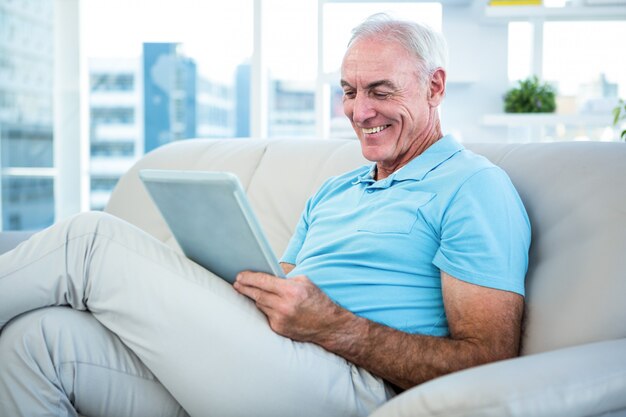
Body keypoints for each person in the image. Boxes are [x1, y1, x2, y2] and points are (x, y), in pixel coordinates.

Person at [0, 13, 530, 417]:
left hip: (353, 385)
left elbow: (489, 363)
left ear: (435, 87)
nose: (359, 112)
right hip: (268, 361)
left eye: (380, 91)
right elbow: (289, 288)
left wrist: (340, 329)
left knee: (88, 241)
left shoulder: (473, 186)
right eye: (349, 92)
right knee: (37, 341)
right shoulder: (336, 189)